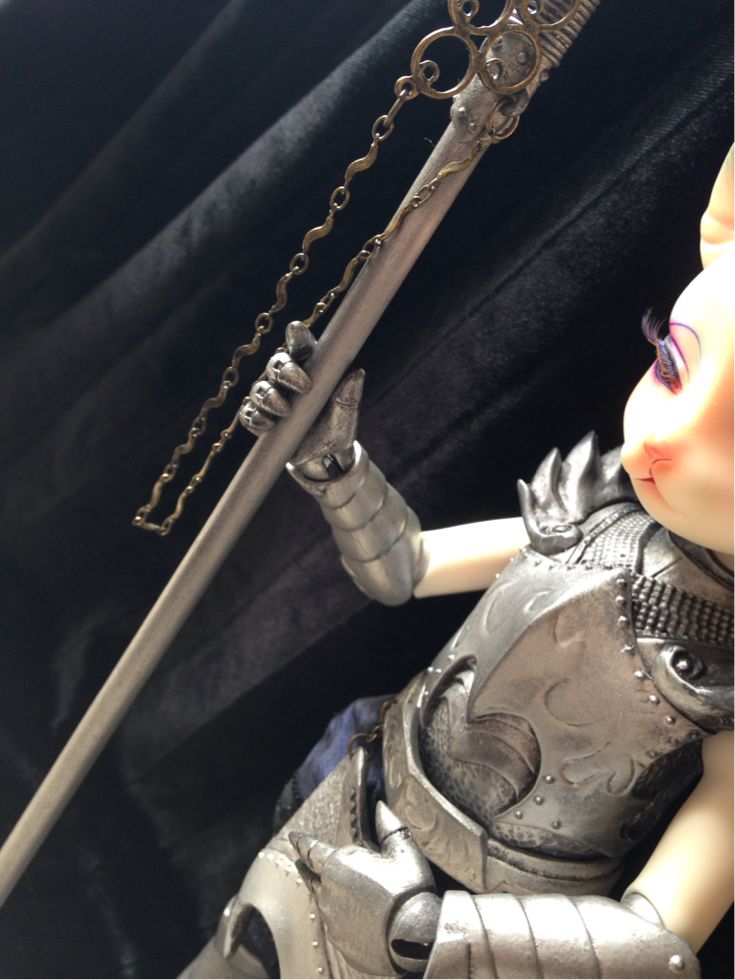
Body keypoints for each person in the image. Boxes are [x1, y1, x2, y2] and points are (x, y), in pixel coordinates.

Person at [183, 149, 733, 979]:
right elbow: (402, 568)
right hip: (350, 804)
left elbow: (660, 945)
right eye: (669, 367)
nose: (664, 436)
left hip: (469, 933)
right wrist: (335, 466)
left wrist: (442, 932)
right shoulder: (589, 519)